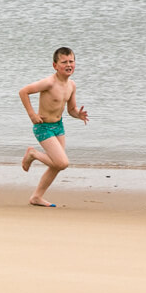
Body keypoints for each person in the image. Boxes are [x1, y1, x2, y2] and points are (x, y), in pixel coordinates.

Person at [19, 47, 89, 207]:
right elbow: (23, 92)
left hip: (59, 126)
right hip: (43, 127)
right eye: (64, 62)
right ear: (55, 65)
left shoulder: (71, 85)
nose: (69, 64)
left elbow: (71, 109)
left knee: (56, 165)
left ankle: (36, 197)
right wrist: (32, 115)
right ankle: (33, 154)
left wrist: (78, 114)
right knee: (62, 163)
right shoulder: (49, 83)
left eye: (71, 61)